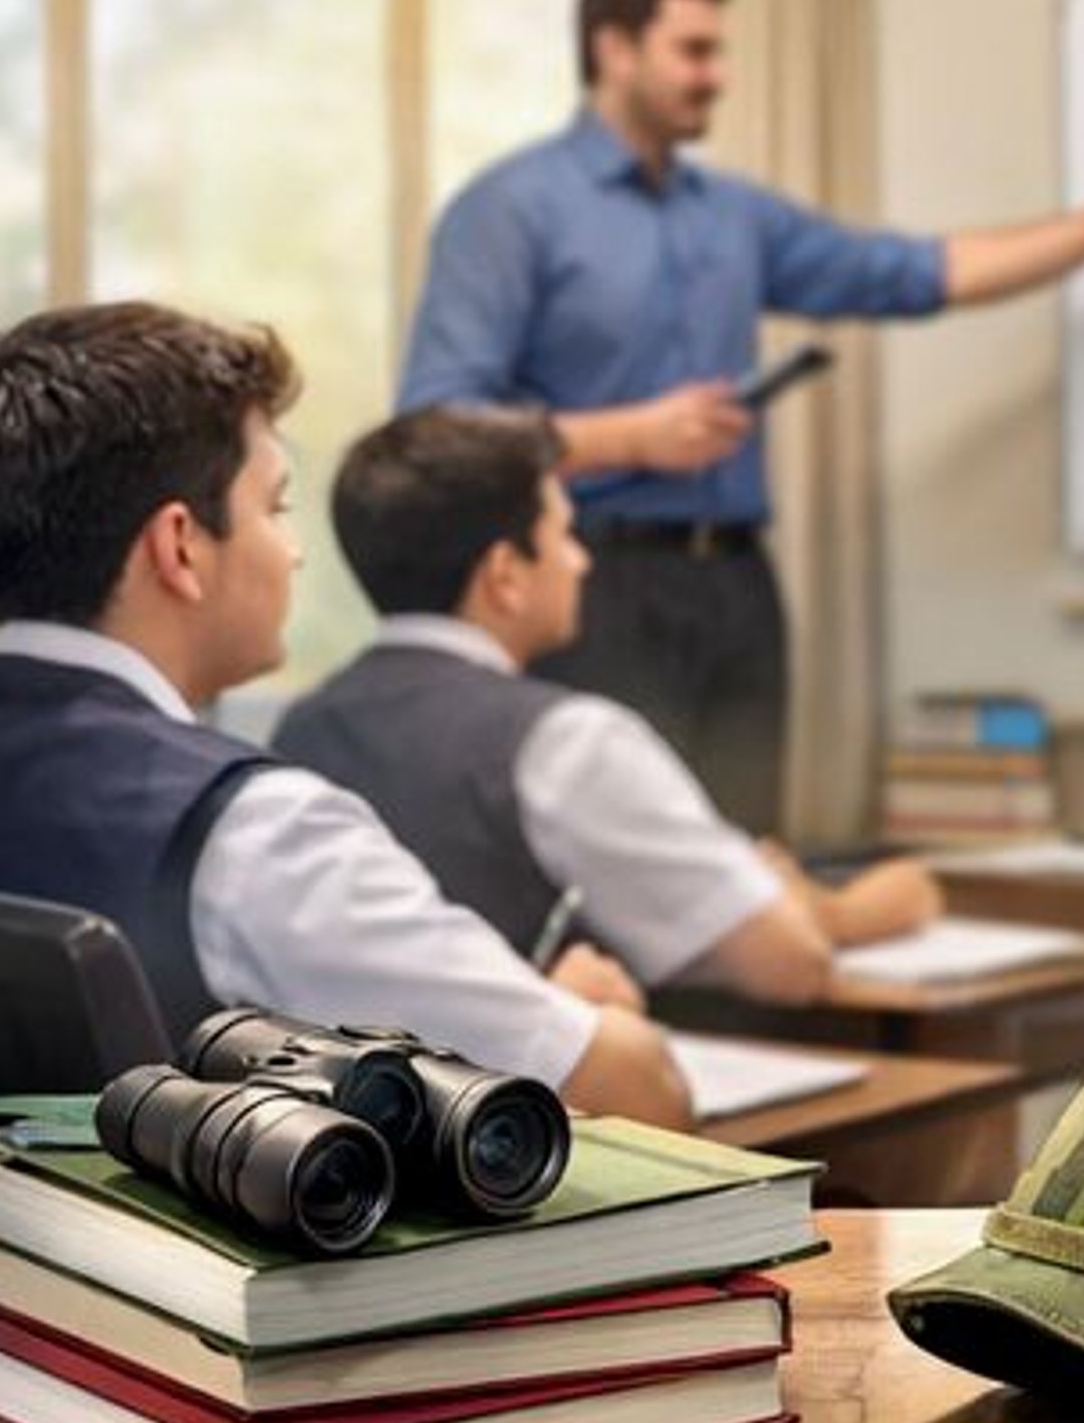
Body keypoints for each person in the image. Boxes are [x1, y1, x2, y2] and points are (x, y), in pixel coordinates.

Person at [398, 0, 1084, 833]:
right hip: (591, 584)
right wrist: (633, 438)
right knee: (617, 859)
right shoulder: (508, 209)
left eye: (720, 52)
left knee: (749, 856)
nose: (719, 76)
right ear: (613, 50)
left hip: (737, 586)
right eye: (694, 52)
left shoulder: (733, 215)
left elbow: (926, 272)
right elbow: (437, 423)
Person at [0, 303, 690, 1129]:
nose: (293, 551)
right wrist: (561, 1013)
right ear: (180, 547)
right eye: (276, 507)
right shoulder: (256, 833)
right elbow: (639, 1093)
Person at [272, 405, 945, 1006]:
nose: (581, 562)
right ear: (505, 575)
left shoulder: (299, 730)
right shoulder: (567, 743)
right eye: (565, 535)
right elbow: (788, 965)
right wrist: (814, 908)